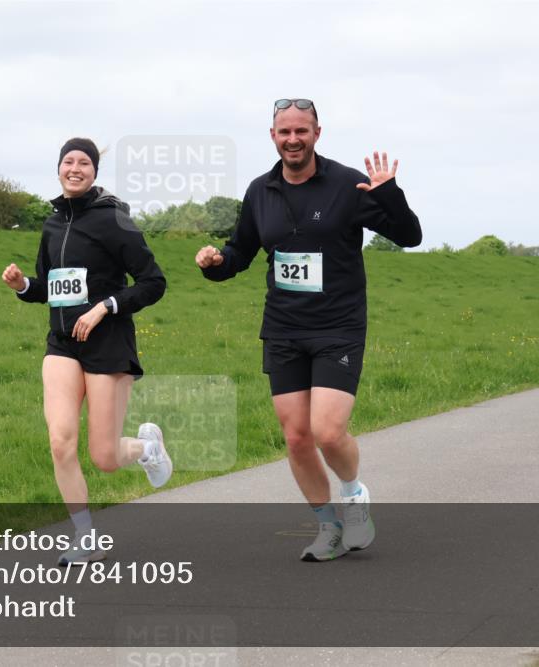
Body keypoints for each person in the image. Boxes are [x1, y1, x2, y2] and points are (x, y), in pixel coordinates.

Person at [195, 99, 422, 561]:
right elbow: (241, 251)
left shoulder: (346, 184)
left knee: (328, 431)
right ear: (273, 136)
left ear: (318, 133)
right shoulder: (261, 191)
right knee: (296, 436)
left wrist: (387, 194)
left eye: (302, 131)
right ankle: (328, 528)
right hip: (283, 327)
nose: (293, 140)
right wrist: (216, 262)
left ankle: (354, 495)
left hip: (338, 324)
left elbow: (410, 235)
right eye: (284, 132)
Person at [2, 138, 171, 566]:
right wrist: (23, 285)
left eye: (83, 163)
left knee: (106, 457)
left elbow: (153, 282)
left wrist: (105, 307)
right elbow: (50, 289)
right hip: (61, 345)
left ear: (94, 171)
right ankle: (84, 536)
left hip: (108, 344)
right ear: (58, 169)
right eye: (67, 161)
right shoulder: (52, 223)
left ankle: (147, 448)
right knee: (60, 442)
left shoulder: (114, 219)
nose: (74, 168)